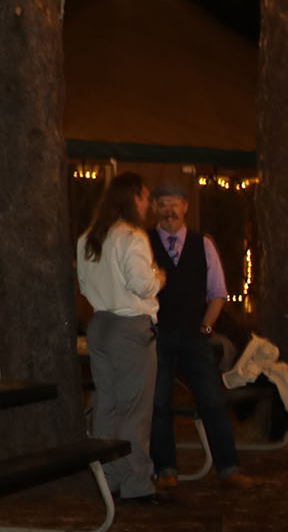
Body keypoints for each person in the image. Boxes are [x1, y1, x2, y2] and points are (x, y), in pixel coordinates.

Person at [144, 182, 256, 493]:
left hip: (195, 335)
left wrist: (206, 327)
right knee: (159, 401)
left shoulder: (202, 244)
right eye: (163, 203)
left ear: (185, 207)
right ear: (154, 208)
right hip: (158, 334)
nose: (170, 210)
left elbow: (218, 292)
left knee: (212, 400)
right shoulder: (144, 244)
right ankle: (166, 468)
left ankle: (229, 468)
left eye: (175, 203)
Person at [76, 173, 165, 506]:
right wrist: (159, 277)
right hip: (130, 328)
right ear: (132, 199)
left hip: (100, 325)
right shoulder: (131, 236)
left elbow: (84, 285)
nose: (147, 204)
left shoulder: (89, 237)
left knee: (107, 404)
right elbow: (141, 283)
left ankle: (109, 477)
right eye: (144, 197)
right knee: (134, 409)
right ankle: (137, 482)